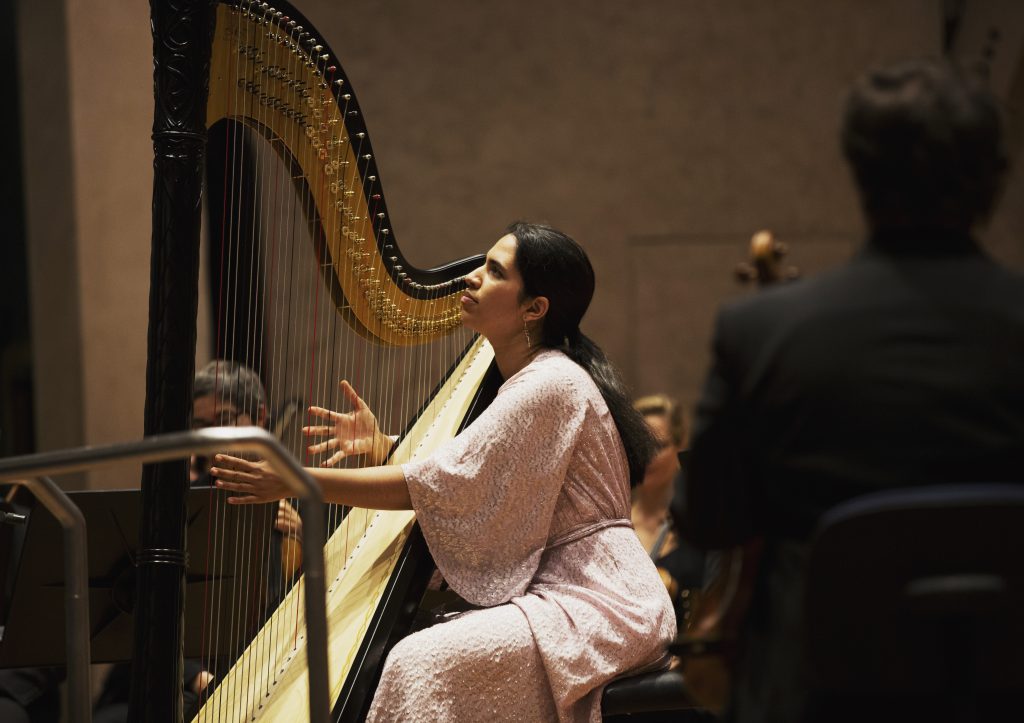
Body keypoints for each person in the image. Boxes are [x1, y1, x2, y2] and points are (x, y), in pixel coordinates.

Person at [211, 221, 678, 721]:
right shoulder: (533, 378)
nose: (472, 277)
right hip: (564, 589)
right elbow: (480, 470)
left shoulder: (550, 384)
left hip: (601, 601)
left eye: (495, 272)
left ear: (534, 308)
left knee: (417, 661)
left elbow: (447, 483)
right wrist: (386, 447)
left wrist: (300, 481)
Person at [683, 58, 1024, 722]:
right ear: (996, 179)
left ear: (860, 172)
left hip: (819, 694)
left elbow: (711, 518)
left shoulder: (760, 331)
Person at [631, 394, 704, 625]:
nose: (647, 456)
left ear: (679, 446)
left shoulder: (698, 524)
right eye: (639, 446)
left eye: (658, 445)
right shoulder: (615, 524)